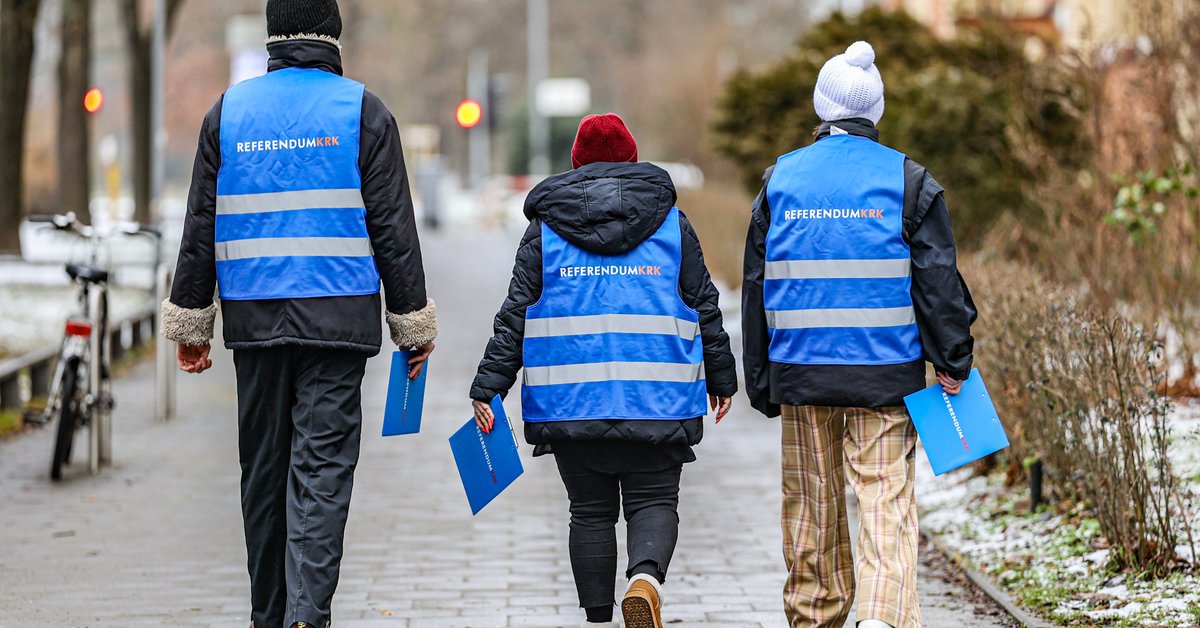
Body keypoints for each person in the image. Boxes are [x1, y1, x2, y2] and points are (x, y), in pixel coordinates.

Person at [159, 1, 437, 626]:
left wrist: (192, 321)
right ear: (332, 32)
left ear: (271, 33)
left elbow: (200, 223)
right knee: (321, 475)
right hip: (338, 324)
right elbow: (395, 229)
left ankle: (271, 617)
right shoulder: (364, 113)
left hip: (255, 323)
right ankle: (307, 616)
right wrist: (412, 323)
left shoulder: (228, 113)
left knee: (263, 476)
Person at [741, 41, 977, 628]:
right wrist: (953, 358)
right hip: (885, 372)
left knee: (812, 508)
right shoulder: (909, 180)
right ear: (875, 112)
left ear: (821, 108)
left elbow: (756, 283)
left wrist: (762, 378)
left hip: (802, 370)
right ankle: (881, 615)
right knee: (885, 500)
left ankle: (815, 613)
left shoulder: (780, 180)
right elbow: (938, 280)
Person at [470, 113, 738, 628]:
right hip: (658, 400)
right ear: (633, 160)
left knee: (588, 512)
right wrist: (722, 379)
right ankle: (644, 582)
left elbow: (516, 314)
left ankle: (597, 619)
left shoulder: (544, 231)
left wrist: (490, 386)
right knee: (654, 500)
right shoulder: (671, 225)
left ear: (576, 165)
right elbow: (705, 305)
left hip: (571, 403)